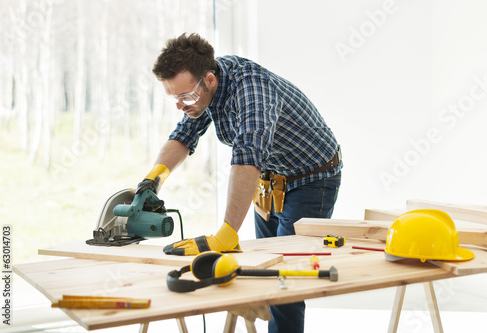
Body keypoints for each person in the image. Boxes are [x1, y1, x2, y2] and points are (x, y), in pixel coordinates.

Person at [135, 33, 342, 333]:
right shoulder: (202, 92)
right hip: (272, 181)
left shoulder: (253, 91)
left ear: (209, 80)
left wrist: (227, 234)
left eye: (185, 96)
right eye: (174, 97)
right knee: (265, 270)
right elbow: (183, 136)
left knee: (287, 281)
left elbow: (248, 160)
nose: (181, 105)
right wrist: (152, 180)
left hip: (312, 180)